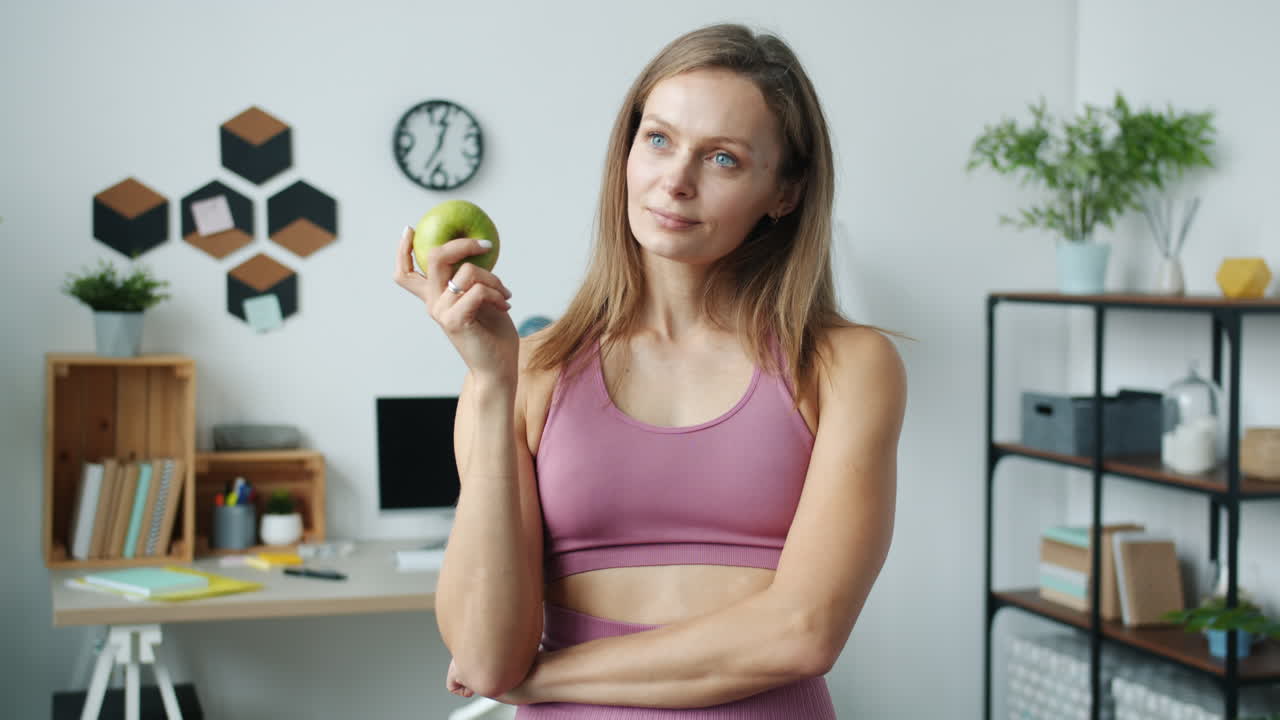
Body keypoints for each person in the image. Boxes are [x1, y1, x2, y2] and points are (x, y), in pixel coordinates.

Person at [394, 22, 906, 718]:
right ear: (628, 151)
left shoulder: (847, 366)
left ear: (784, 192)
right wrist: (490, 382)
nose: (676, 181)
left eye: (722, 158)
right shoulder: (530, 372)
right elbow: (486, 657)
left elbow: (802, 634)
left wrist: (540, 680)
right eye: (658, 139)